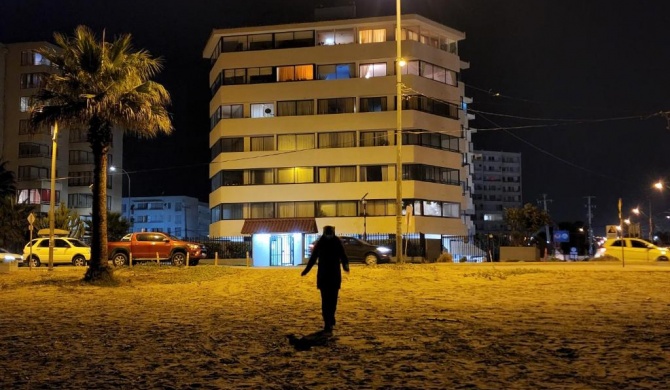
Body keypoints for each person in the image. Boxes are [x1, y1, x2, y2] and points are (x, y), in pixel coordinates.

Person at [301, 225, 349, 335]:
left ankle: (330, 318)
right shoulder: (326, 242)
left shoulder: (330, 242)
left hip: (330, 275)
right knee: (328, 300)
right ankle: (328, 321)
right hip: (328, 276)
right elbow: (313, 258)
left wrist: (346, 266)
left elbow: (343, 256)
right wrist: (306, 270)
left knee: (330, 301)